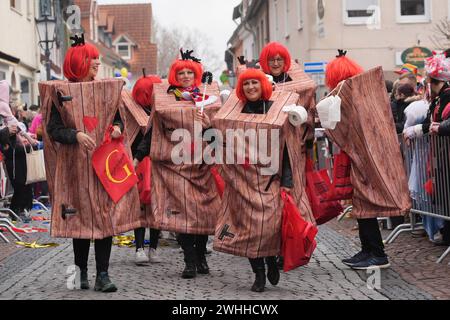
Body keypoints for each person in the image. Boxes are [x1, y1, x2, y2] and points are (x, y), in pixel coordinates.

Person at [44, 36, 143, 293]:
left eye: (98, 60)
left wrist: (118, 130)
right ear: (79, 62)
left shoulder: (108, 91)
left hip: (104, 167)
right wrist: (74, 135)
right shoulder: (61, 93)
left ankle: (103, 274)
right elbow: (53, 129)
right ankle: (80, 273)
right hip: (74, 168)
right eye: (93, 60)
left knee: (104, 220)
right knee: (79, 221)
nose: (98, 64)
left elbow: (119, 119)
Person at [212, 69, 314, 292]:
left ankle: (270, 261)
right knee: (249, 230)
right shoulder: (234, 113)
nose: (250, 87)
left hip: (270, 181)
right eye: (246, 84)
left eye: (254, 83)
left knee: (269, 228)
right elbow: (219, 142)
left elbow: (287, 150)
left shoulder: (276, 111)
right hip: (242, 183)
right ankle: (258, 273)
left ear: (262, 86)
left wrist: (287, 181)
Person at [323, 50, 411, 270]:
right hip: (359, 155)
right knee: (361, 204)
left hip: (366, 157)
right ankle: (368, 249)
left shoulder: (354, 95)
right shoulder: (353, 95)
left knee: (366, 204)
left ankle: (377, 253)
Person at [148, 50, 221, 279]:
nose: (186, 76)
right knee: (182, 216)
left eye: (190, 72)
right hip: (175, 166)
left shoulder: (208, 98)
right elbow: (154, 131)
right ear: (175, 75)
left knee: (202, 213)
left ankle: (200, 255)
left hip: (203, 166)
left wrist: (208, 124)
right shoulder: (166, 97)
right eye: (182, 73)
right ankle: (189, 260)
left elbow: (219, 137)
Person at [404, 53, 450, 245]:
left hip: (445, 153)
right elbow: (430, 121)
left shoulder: (446, 96)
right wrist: (414, 131)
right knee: (442, 195)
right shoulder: (440, 97)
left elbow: (437, 122)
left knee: (445, 194)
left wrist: (432, 128)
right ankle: (445, 233)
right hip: (440, 153)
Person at [130, 74, 164, 265]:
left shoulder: (160, 111)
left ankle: (153, 248)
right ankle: (140, 248)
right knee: (140, 206)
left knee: (157, 205)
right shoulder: (133, 111)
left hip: (158, 162)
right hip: (139, 161)